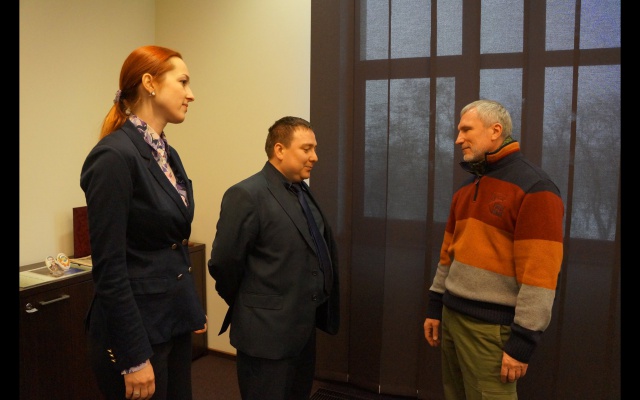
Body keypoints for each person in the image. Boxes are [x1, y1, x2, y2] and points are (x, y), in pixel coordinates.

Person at [80, 45, 207, 400]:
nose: (191, 94)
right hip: (136, 335)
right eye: (183, 82)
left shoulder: (166, 153)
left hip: (170, 322)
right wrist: (133, 356)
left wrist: (189, 308)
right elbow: (110, 268)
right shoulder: (113, 156)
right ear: (150, 83)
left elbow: (169, 247)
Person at [423, 99, 564, 400]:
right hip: (452, 318)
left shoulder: (536, 188)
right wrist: (435, 307)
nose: (458, 139)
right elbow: (448, 254)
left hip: (490, 330)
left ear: (495, 130)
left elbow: (540, 275)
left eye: (466, 130)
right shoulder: (466, 188)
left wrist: (523, 342)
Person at [208, 116, 340, 400]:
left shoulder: (302, 191)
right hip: (265, 335)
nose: (315, 157)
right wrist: (250, 302)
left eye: (315, 149)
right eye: (306, 149)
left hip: (302, 331)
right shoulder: (247, 194)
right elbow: (223, 263)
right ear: (280, 150)